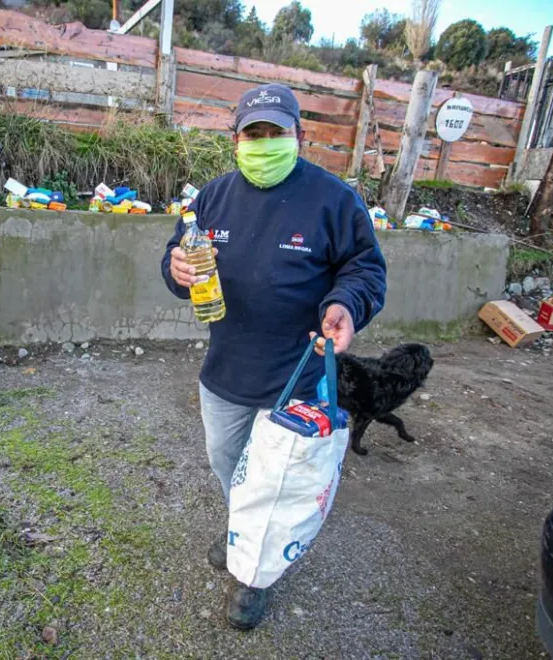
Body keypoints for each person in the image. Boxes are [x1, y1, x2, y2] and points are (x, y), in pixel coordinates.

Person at [159, 83, 388, 630]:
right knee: (230, 467)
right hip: (227, 371)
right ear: (235, 139)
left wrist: (345, 305)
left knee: (277, 480)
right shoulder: (211, 197)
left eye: (276, 133)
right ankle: (244, 528)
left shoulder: (334, 200)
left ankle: (252, 577)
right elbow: (176, 255)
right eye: (253, 133)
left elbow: (366, 269)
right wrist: (174, 268)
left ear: (297, 136)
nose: (264, 143)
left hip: (300, 375)